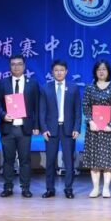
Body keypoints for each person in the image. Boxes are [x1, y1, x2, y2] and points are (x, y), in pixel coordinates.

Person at [0, 54, 40, 198]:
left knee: (25, 160)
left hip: (25, 128)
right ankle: (8, 187)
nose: (16, 67)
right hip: (8, 127)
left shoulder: (32, 84)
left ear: (24, 66)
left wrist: (36, 125)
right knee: (8, 160)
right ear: (9, 66)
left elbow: (37, 106)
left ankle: (25, 188)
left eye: (19, 64)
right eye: (13, 64)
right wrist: (3, 114)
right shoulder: (3, 83)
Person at [39, 59, 81, 199]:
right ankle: (50, 189)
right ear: (52, 72)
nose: (59, 73)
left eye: (62, 70)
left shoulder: (73, 88)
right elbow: (42, 111)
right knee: (50, 161)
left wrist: (77, 128)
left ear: (66, 71)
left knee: (69, 161)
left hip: (68, 129)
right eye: (56, 70)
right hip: (51, 130)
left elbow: (77, 110)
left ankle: (68, 189)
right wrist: (43, 129)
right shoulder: (45, 88)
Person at [80, 59, 111, 198]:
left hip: (109, 130)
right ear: (95, 72)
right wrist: (90, 121)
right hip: (94, 129)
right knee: (94, 160)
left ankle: (106, 188)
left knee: (108, 160)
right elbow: (85, 106)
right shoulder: (89, 88)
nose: (101, 72)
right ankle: (95, 188)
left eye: (104, 69)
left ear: (108, 71)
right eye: (99, 69)